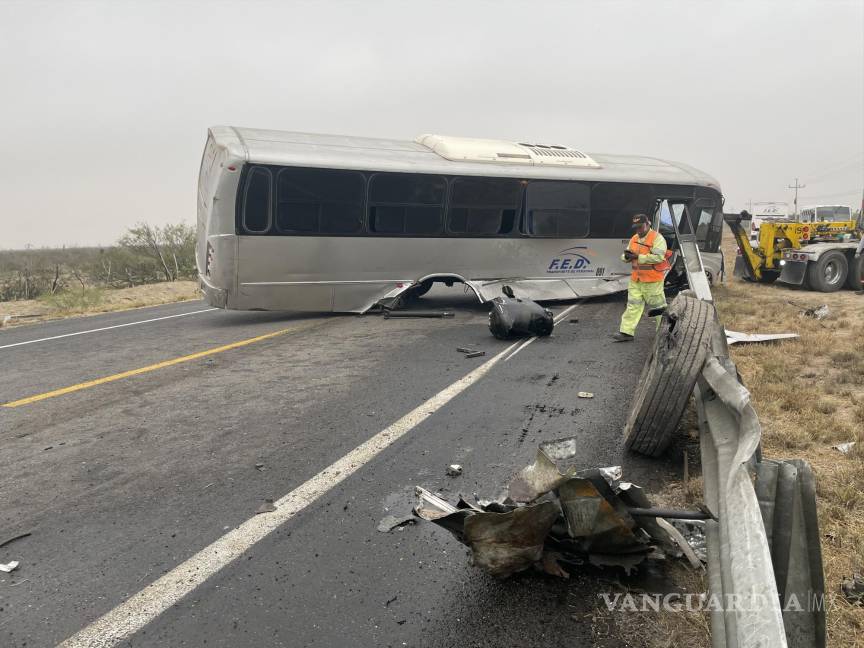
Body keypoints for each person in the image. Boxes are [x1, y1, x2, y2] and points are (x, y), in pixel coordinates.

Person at [612, 213, 671, 342]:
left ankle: (664, 333)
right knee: (633, 305)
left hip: (652, 280)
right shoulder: (634, 238)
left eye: (640, 227)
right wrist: (626, 257)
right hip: (636, 279)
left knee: (658, 308)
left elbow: (659, 257)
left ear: (648, 224)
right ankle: (626, 332)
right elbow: (625, 255)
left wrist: (638, 257)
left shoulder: (657, 238)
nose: (638, 230)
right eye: (636, 227)